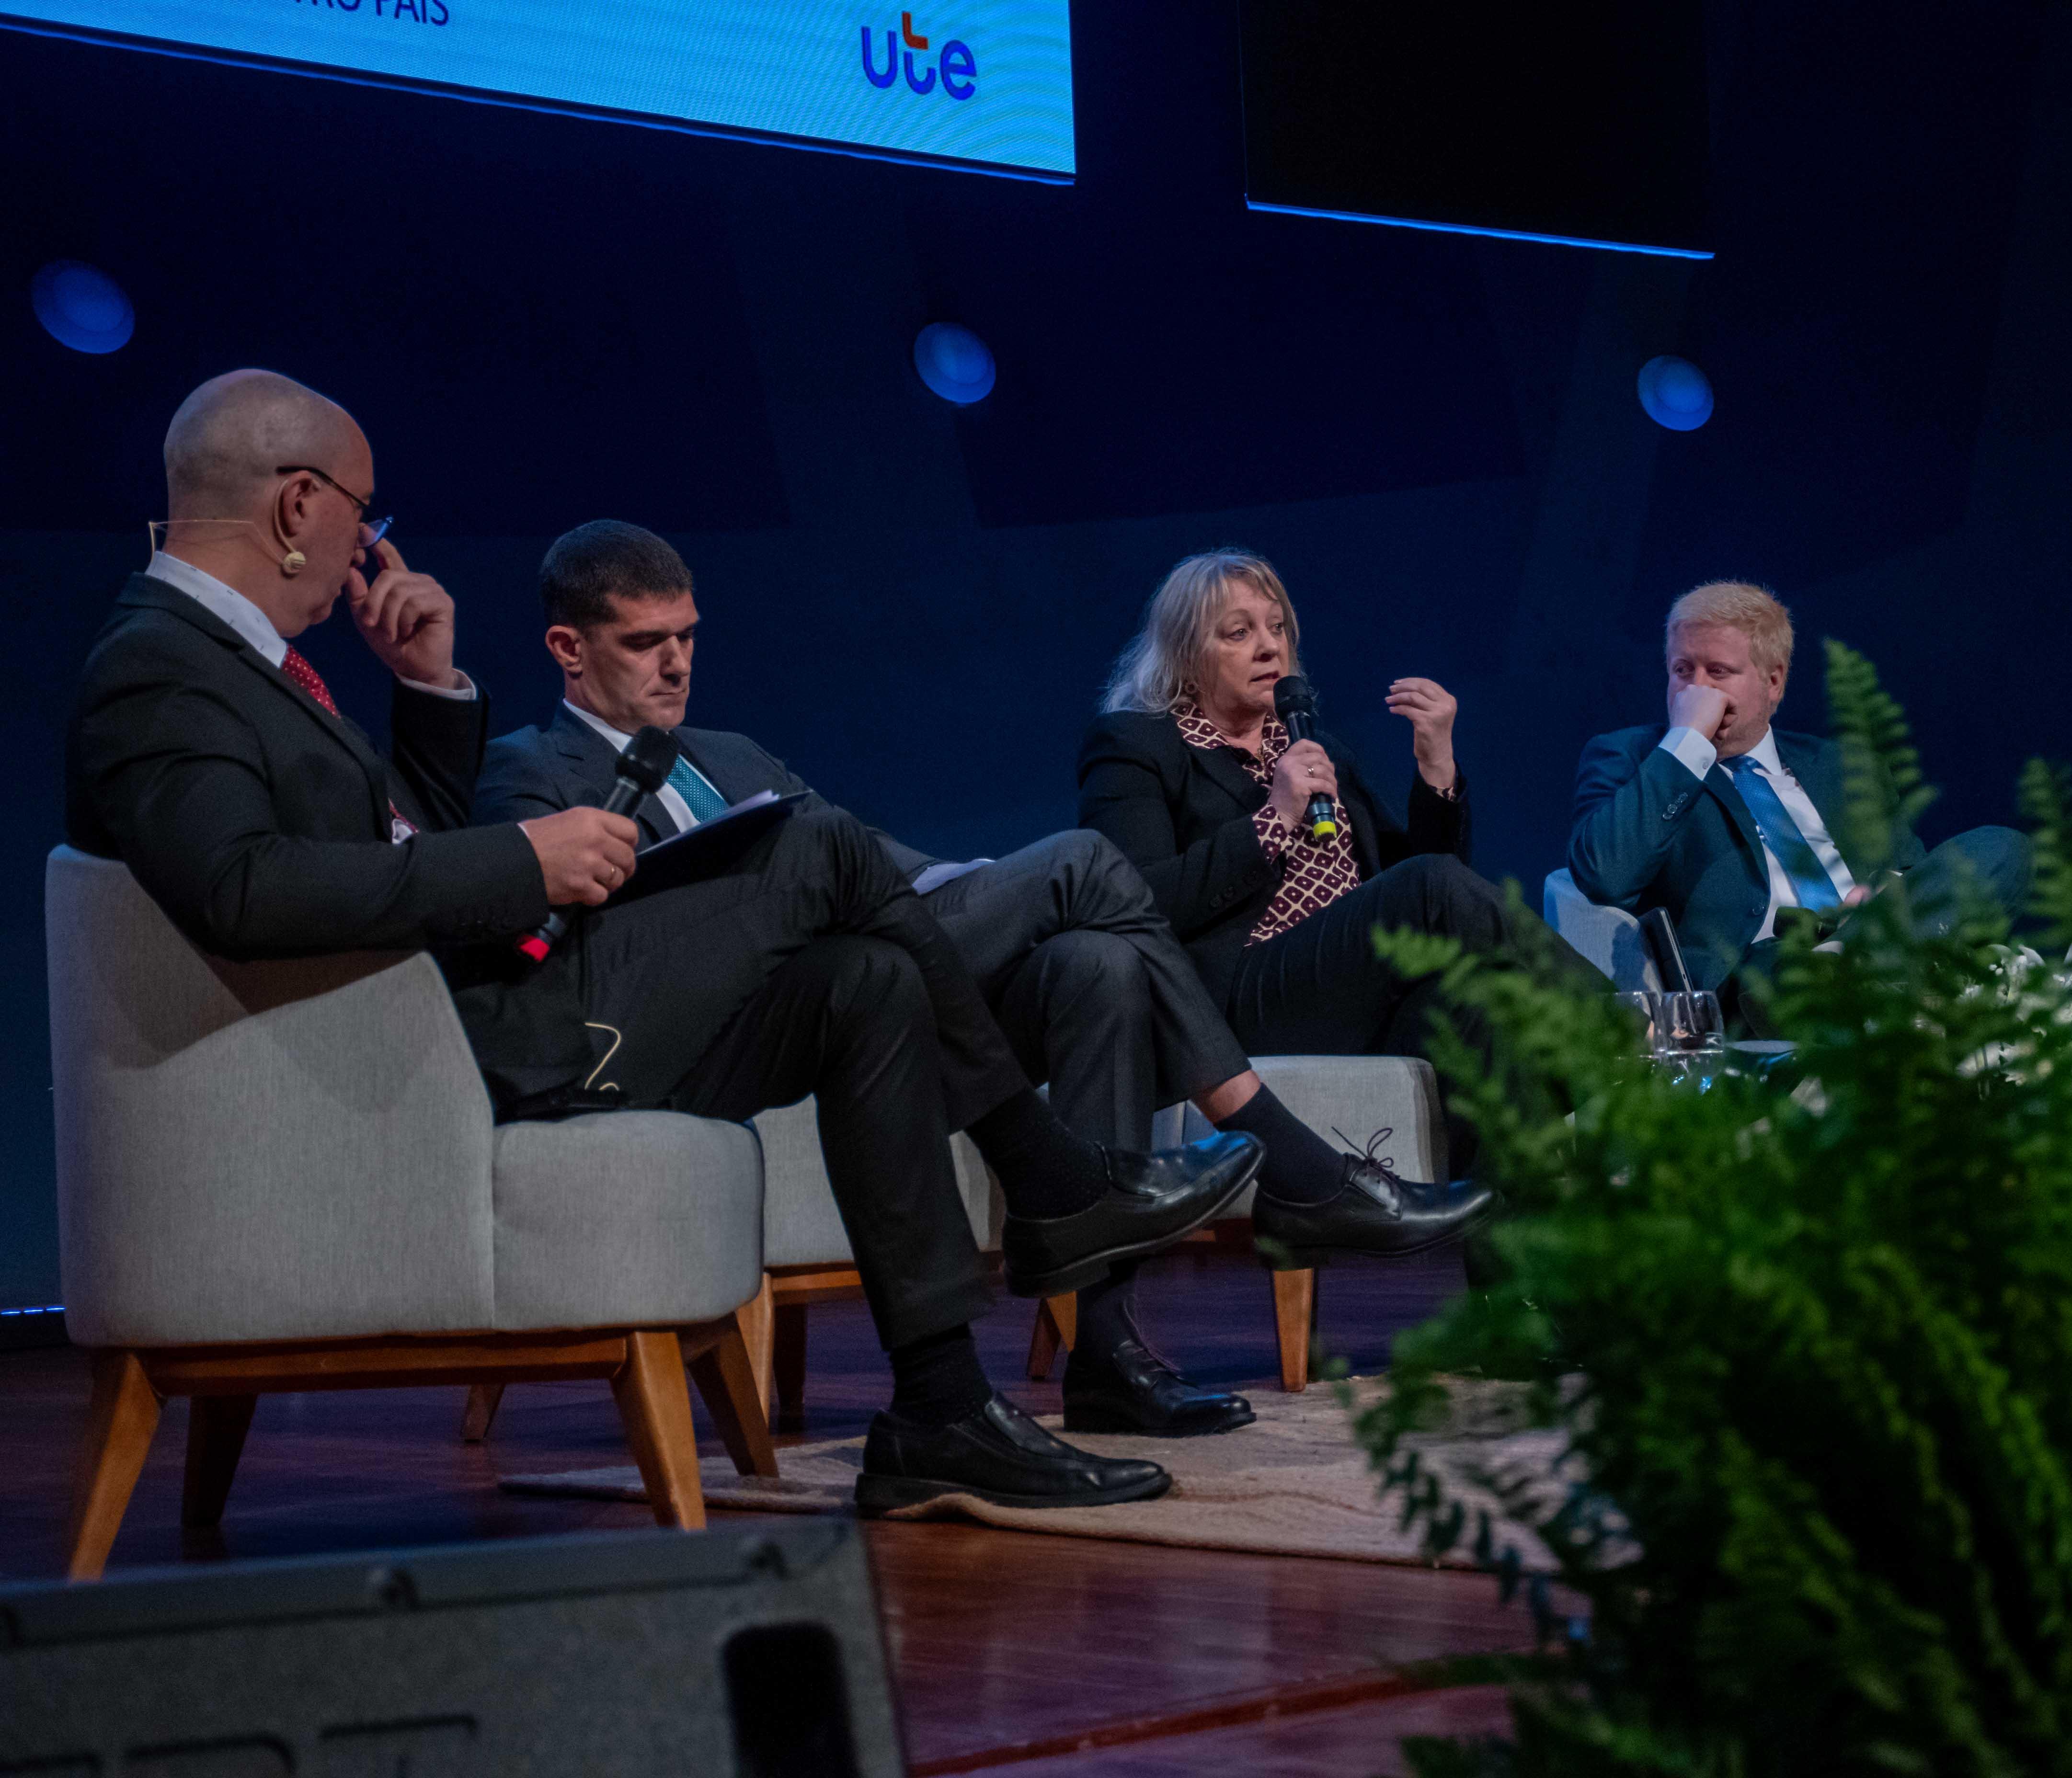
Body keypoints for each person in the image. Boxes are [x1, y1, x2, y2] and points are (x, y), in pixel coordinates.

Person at [68, 370, 1257, 1512]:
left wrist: (427, 692)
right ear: (295, 504)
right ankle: (1048, 1173)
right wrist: (523, 860)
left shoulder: (229, 666)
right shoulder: (161, 667)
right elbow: (239, 890)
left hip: (492, 1020)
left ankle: (940, 1410)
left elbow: (385, 849)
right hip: (491, 1049)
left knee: (870, 979)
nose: (364, 543)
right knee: (826, 848)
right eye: (360, 512)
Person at [479, 521, 1445, 1436]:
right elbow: (569, 954)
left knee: (1094, 962)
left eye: (688, 637)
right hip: (717, 1027)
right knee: (1083, 864)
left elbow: (881, 864)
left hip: (860, 989)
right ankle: (1296, 1161)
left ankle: (1107, 1359)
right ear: (570, 648)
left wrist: (993, 891)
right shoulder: (525, 770)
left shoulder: (731, 753)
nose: (678, 662)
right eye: (647, 642)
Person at [1081, 548, 1596, 1206]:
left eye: (1277, 628)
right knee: (1430, 887)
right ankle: (1624, 1035)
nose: (1269, 648)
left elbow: (1424, 888)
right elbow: (1137, 904)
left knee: (1489, 1015)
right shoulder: (1136, 747)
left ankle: (1511, 1288)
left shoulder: (1312, 748)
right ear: (1186, 654)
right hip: (1236, 1001)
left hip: (1349, 995)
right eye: (1239, 633)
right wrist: (1273, 819)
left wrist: (1437, 766)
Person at [1569, 580, 2029, 1023]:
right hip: (1762, 978)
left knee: (2002, 847)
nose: (1696, 690)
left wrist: (1887, 890)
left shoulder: (1843, 767)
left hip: (1869, 944)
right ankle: (1854, 976)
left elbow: (1915, 874)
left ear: (1774, 682)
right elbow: (1604, 877)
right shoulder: (1634, 757)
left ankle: (1855, 965)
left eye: (1719, 672)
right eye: (1682, 670)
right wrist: (1687, 743)